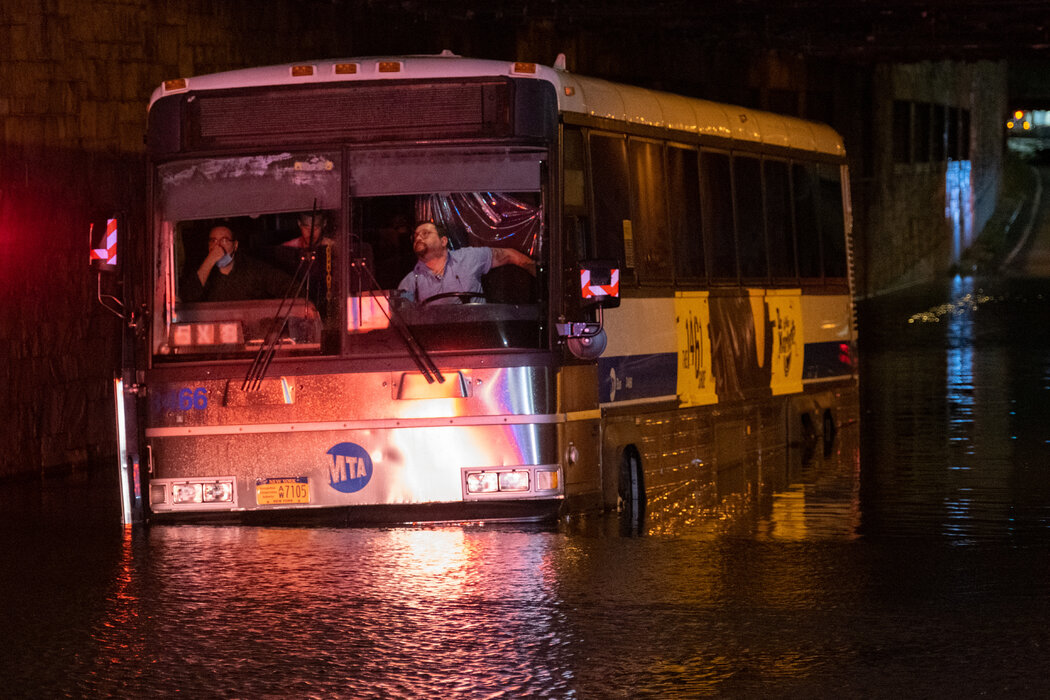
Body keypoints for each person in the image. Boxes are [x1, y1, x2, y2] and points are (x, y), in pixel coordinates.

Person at [397, 221, 536, 304]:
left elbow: (510, 254)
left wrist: (542, 278)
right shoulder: (410, 283)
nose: (418, 238)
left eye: (425, 234)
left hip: (480, 337)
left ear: (443, 241)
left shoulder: (469, 257)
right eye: (415, 236)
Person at [181, 224, 293, 302]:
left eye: (224, 241)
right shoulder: (201, 271)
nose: (218, 247)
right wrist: (209, 261)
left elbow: (291, 289)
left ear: (235, 245)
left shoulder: (254, 269)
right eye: (213, 241)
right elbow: (188, 297)